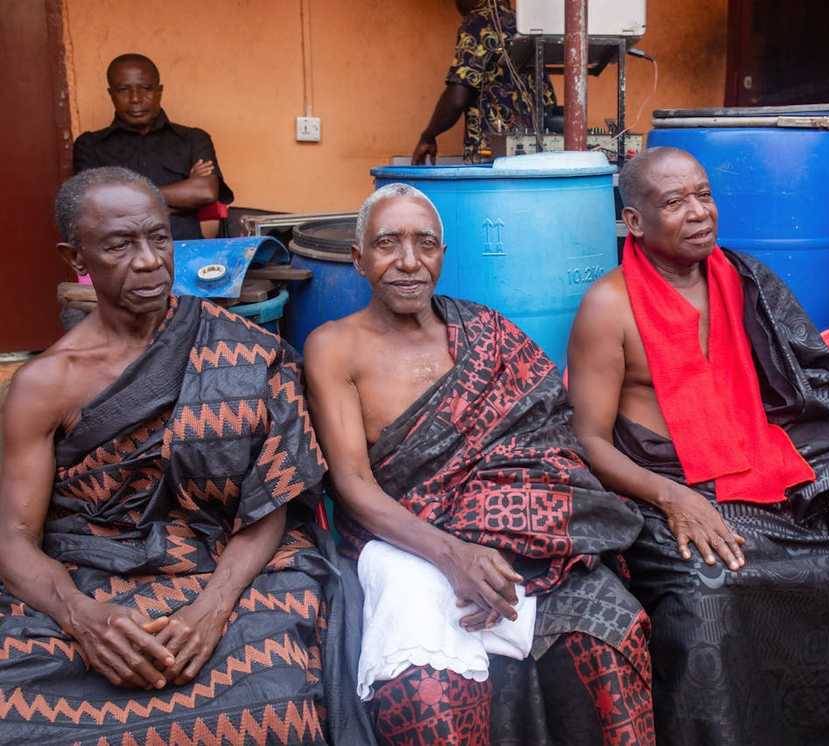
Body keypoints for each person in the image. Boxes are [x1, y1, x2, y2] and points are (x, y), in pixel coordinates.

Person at [566, 147, 829, 745]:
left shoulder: (749, 283)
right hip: (672, 488)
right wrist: (672, 499)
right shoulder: (608, 306)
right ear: (634, 222)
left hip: (778, 480)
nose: (699, 213)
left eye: (703, 194)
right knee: (711, 589)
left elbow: (806, 407)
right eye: (674, 202)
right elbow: (589, 439)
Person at [0, 167, 366, 744]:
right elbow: (13, 536)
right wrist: (82, 620)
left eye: (159, 238)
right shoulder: (45, 384)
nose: (148, 260)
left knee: (276, 694)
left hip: (232, 563)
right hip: (93, 575)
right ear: (76, 258)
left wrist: (213, 608)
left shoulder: (248, 350)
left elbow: (269, 502)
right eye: (120, 244)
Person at [304, 183, 654, 745]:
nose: (410, 262)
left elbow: (548, 441)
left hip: (519, 536)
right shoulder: (333, 347)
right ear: (358, 259)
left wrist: (509, 538)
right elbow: (351, 483)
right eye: (388, 244)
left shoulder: (483, 332)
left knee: (611, 631)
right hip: (402, 538)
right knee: (426, 685)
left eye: (426, 244)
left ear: (444, 253)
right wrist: (454, 554)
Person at [73, 53, 233, 240]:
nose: (135, 99)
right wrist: (181, 195)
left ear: (159, 91)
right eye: (123, 89)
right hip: (121, 259)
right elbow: (96, 206)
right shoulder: (90, 145)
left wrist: (125, 197)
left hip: (185, 255)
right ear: (111, 94)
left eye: (146, 88)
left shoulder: (193, 139)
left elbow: (205, 192)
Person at [412, 0, 556, 164]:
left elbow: (457, 98)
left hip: (491, 157)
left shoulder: (477, 24)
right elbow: (549, 101)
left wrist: (428, 136)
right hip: (535, 157)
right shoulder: (525, 28)